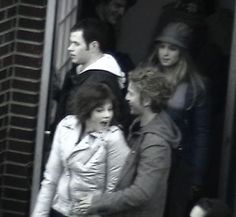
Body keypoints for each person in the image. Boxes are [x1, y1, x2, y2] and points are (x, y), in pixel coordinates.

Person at [78, 66, 181, 217]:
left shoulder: (155, 143)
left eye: (131, 93)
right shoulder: (140, 126)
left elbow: (140, 193)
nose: (126, 98)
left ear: (146, 100)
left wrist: (97, 202)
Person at [32, 83, 130, 217]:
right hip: (60, 209)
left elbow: (114, 189)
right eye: (99, 110)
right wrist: (39, 214)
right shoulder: (66, 126)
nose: (107, 115)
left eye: (110, 109)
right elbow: (51, 177)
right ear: (86, 110)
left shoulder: (114, 138)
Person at [144, 22, 210, 217]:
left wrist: (197, 177)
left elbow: (202, 133)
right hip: (150, 156)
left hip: (179, 164)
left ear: (182, 52)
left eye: (172, 48)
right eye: (162, 46)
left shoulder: (196, 87)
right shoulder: (148, 75)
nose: (165, 53)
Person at [53, 18, 130, 133]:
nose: (70, 48)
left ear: (94, 46)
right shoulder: (80, 70)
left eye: (76, 44)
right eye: (71, 43)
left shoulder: (99, 82)